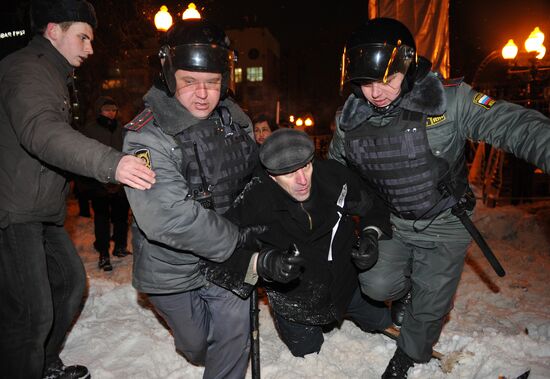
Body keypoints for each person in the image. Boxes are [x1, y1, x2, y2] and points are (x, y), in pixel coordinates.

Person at [328, 17, 550, 378]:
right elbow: (335, 175)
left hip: (445, 222)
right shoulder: (349, 121)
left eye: (386, 80)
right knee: (375, 283)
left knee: (428, 310)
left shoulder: (449, 100)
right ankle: (406, 292)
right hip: (393, 221)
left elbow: (514, 125)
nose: (376, 92)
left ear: (407, 68)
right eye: (366, 83)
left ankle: (409, 354)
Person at [0, 1, 156, 378]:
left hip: (41, 210)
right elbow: (42, 131)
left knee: (69, 284)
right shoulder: (26, 69)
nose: (89, 48)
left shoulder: (54, 74)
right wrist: (111, 162)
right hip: (14, 209)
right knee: (30, 313)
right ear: (53, 30)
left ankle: (43, 362)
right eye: (82, 37)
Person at [123, 19, 265, 379]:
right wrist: (237, 238)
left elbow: (255, 177)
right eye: (189, 82)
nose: (202, 94)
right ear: (171, 77)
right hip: (172, 267)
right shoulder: (147, 137)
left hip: (228, 263)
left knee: (231, 340)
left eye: (213, 83)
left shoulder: (236, 120)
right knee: (198, 347)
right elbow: (167, 217)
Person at [202, 128, 393, 358]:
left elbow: (373, 205)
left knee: (383, 322)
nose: (302, 180)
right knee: (308, 352)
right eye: (289, 173)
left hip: (346, 285)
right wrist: (262, 263)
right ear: (272, 176)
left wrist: (371, 234)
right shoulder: (255, 200)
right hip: (297, 301)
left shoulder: (334, 177)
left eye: (306, 166)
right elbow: (216, 256)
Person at [79, 96, 132, 271]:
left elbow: (127, 151)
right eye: (107, 109)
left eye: (114, 109)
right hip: (98, 182)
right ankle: (103, 253)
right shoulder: (90, 130)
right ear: (99, 111)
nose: (111, 113)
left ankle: (120, 246)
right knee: (101, 219)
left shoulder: (122, 129)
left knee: (121, 218)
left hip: (120, 181)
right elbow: (84, 157)